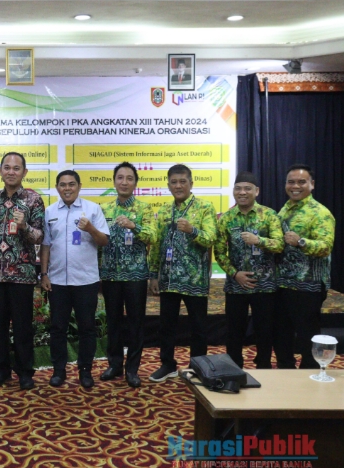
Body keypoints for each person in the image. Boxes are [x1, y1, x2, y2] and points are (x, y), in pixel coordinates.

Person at [0, 152, 45, 390]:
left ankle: (25, 372)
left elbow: (39, 237)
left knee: (23, 326)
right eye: (7, 167)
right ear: (0, 171)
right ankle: (1, 371)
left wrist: (25, 225)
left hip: (22, 274)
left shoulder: (33, 200)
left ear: (24, 172)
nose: (11, 172)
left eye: (16, 168)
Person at [148, 164, 217, 382]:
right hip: (168, 280)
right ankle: (167, 364)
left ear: (191, 183)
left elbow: (210, 238)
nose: (178, 186)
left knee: (198, 327)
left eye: (182, 182)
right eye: (174, 182)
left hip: (195, 280)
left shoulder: (205, 207)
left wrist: (192, 230)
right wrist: (153, 274)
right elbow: (156, 245)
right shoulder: (164, 211)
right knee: (166, 326)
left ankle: (198, 366)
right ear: (168, 185)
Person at [40, 170, 108, 388]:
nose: (67, 188)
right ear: (57, 188)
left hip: (85, 280)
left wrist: (90, 228)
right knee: (57, 328)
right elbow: (46, 245)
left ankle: (85, 371)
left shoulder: (93, 209)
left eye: (71, 184)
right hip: (57, 280)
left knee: (87, 328)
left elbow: (104, 241)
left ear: (79, 186)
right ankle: (58, 371)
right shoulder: (50, 212)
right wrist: (44, 274)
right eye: (63, 185)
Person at [214, 172, 283, 369]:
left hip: (265, 286)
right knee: (234, 331)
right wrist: (235, 274)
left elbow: (279, 245)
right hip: (236, 286)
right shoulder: (226, 218)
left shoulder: (269, 215)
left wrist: (258, 241)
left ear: (257, 191)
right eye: (238, 188)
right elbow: (219, 252)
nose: (242, 192)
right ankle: (234, 369)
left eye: (247, 188)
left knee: (264, 331)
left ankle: (264, 367)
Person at [99, 162, 155, 388]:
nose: (124, 182)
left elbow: (152, 236)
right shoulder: (104, 209)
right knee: (112, 321)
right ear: (114, 182)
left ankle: (132, 369)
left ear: (135, 183)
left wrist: (134, 226)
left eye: (129, 178)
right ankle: (114, 365)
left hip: (135, 276)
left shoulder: (144, 209)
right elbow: (98, 241)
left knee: (135, 323)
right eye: (120, 178)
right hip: (110, 276)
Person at [274, 164, 335, 369]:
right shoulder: (284, 209)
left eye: (301, 182)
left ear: (312, 184)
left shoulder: (320, 213)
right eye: (291, 182)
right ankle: (285, 372)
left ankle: (308, 376)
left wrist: (301, 242)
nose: (295, 186)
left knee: (307, 336)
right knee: (281, 334)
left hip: (308, 287)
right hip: (283, 284)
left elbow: (325, 247)